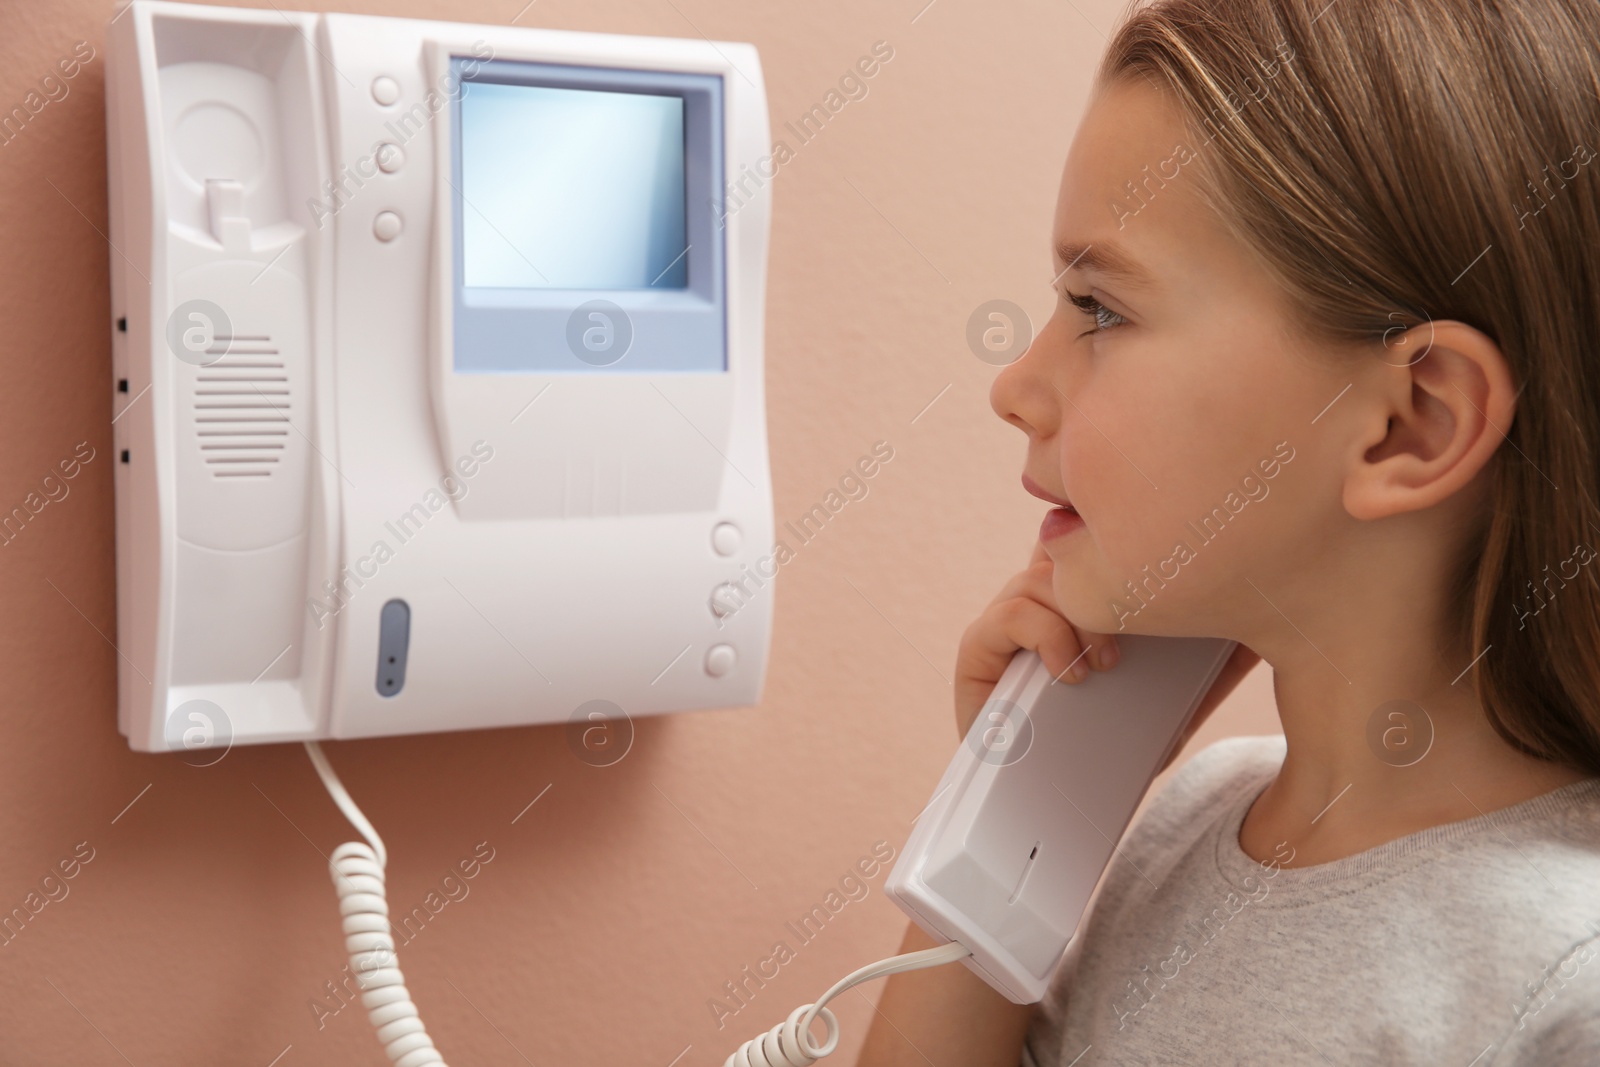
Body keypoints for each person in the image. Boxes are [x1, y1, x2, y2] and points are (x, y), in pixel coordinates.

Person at [857, 0, 1600, 1063]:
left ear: (1410, 423)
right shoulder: (1184, 819)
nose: (1015, 386)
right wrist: (1013, 824)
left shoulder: (1565, 979)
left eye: (1101, 308)